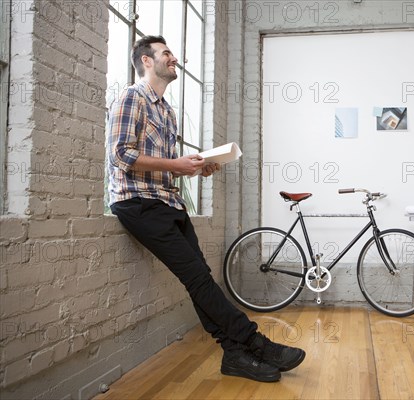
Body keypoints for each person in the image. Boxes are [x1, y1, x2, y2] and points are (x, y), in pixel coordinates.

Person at [106, 35, 305, 383]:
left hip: (168, 202)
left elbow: (166, 164)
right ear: (147, 61)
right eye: (166, 53)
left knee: (201, 281)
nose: (174, 58)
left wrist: (199, 167)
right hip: (138, 203)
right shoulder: (131, 97)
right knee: (198, 278)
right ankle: (256, 344)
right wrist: (175, 165)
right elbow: (121, 155)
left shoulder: (166, 111)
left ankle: (235, 356)